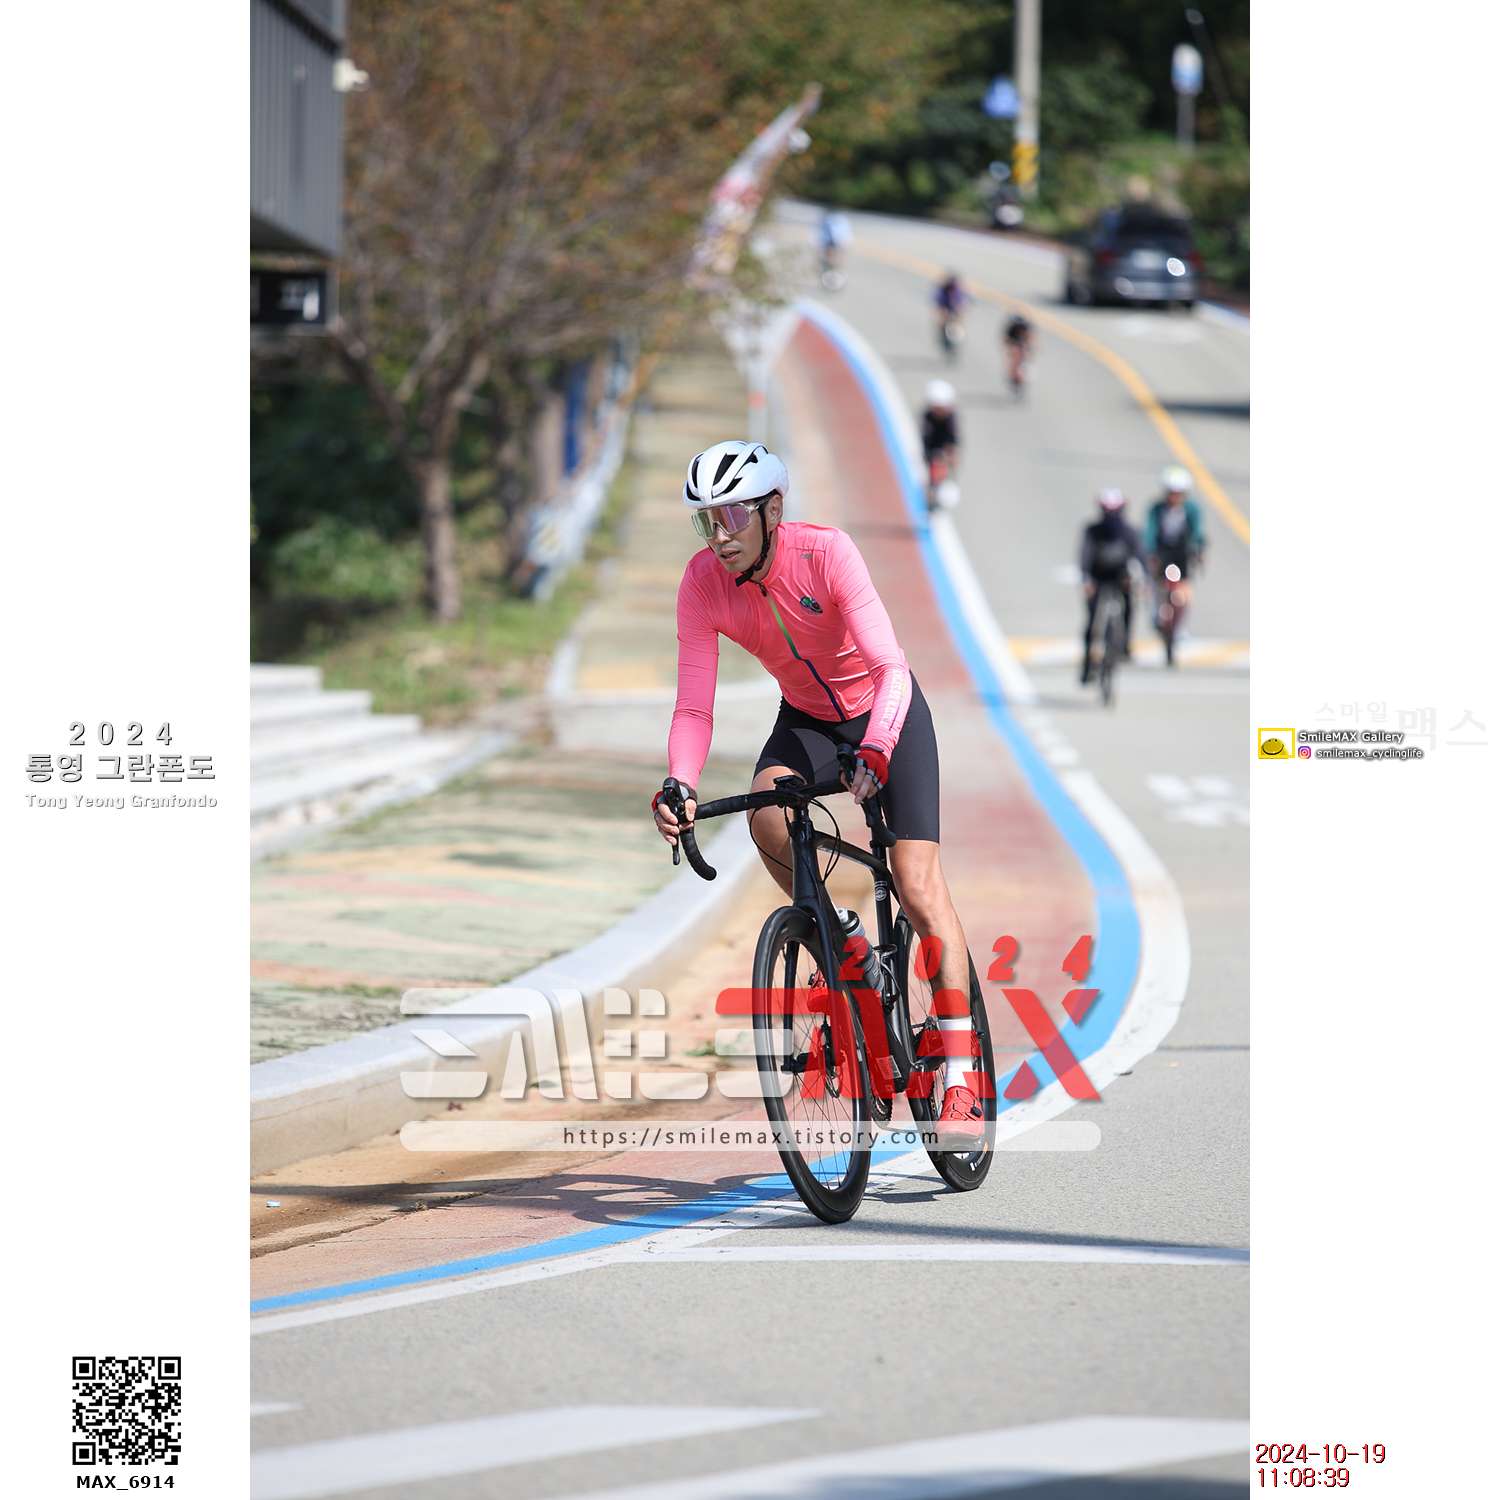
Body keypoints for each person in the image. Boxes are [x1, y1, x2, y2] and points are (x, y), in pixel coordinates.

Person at [653, 440, 984, 1136]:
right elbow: (694, 708)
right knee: (767, 818)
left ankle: (960, 1077)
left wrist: (878, 748)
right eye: (706, 521)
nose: (719, 537)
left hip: (885, 714)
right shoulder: (701, 583)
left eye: (732, 516)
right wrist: (679, 783)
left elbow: (891, 669)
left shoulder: (826, 553)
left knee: (916, 883)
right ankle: (843, 949)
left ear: (773, 510)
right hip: (806, 720)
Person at [1078, 489, 1144, 684]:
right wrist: (1086, 579)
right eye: (1108, 512)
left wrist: (1146, 580)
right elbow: (1085, 555)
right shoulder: (1093, 531)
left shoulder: (1129, 532)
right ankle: (1088, 662)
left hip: (1120, 576)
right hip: (1098, 576)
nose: (1111, 517)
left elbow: (1142, 555)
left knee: (1130, 605)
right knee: (1092, 620)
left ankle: (1125, 644)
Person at [1144, 465, 1206, 655]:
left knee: (1185, 590)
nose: (1175, 497)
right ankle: (1157, 611)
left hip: (1182, 552)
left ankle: (1181, 626)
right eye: (1171, 492)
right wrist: (1150, 553)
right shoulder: (1157, 509)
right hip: (1162, 551)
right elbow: (1149, 532)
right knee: (1157, 583)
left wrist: (1198, 551)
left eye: (1178, 493)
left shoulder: (1191, 509)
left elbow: (1197, 532)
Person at [1001, 311, 1037, 394]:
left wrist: (1032, 346)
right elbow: (1005, 339)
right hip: (1014, 343)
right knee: (1013, 359)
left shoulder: (1026, 328)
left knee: (1024, 356)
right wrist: (1008, 350)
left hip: (1024, 344)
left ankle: (1022, 377)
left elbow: (1034, 338)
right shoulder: (1011, 328)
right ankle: (1012, 377)